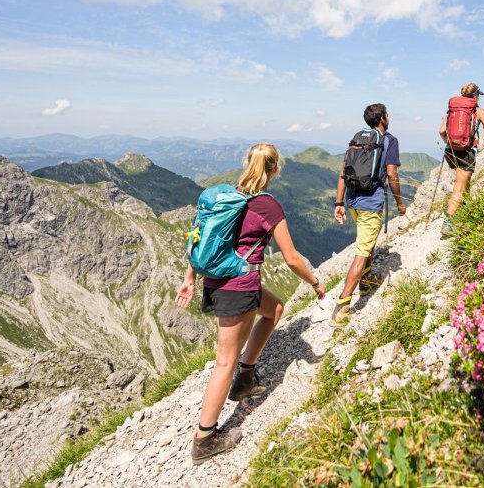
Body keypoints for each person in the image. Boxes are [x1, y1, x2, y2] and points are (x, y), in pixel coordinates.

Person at [174, 143, 326, 465]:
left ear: (247, 163)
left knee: (275, 310)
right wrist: (314, 282)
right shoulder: (268, 206)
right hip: (238, 287)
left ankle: (245, 379)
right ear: (274, 169)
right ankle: (204, 439)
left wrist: (190, 277)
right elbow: (292, 258)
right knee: (223, 362)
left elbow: (199, 236)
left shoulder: (229, 195)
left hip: (221, 281)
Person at [332, 103, 406, 325]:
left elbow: (344, 172)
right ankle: (342, 308)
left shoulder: (357, 140)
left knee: (369, 242)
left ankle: (366, 282)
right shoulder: (389, 140)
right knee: (362, 252)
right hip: (369, 203)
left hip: (352, 201)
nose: (389, 117)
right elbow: (392, 174)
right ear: (382, 118)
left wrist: (339, 202)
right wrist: (400, 203)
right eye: (387, 114)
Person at [439, 82, 484, 236]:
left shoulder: (452, 110)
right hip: (466, 153)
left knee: (464, 182)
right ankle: (448, 224)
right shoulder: (478, 111)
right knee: (459, 188)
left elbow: (441, 131)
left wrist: (451, 143)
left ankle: (466, 210)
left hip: (451, 152)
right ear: (475, 96)